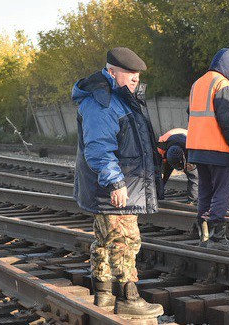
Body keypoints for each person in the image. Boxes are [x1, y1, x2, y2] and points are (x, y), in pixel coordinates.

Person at [72, 47, 163, 318]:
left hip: (115, 182)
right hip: (115, 185)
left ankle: (104, 291)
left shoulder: (119, 98)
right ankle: (129, 297)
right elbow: (99, 147)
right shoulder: (104, 101)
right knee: (125, 239)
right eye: (129, 72)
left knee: (105, 238)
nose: (135, 78)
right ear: (111, 72)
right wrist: (115, 182)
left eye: (137, 73)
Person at [186, 48, 229, 251]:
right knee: (222, 190)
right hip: (218, 149)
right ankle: (218, 237)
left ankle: (203, 234)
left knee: (205, 189)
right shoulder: (222, 84)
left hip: (197, 148)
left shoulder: (197, 83)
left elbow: (191, 114)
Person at [157, 128, 199, 203]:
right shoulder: (161, 146)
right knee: (161, 176)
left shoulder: (191, 148)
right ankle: (158, 197)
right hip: (169, 149)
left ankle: (193, 200)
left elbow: (194, 177)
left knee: (193, 176)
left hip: (186, 144)